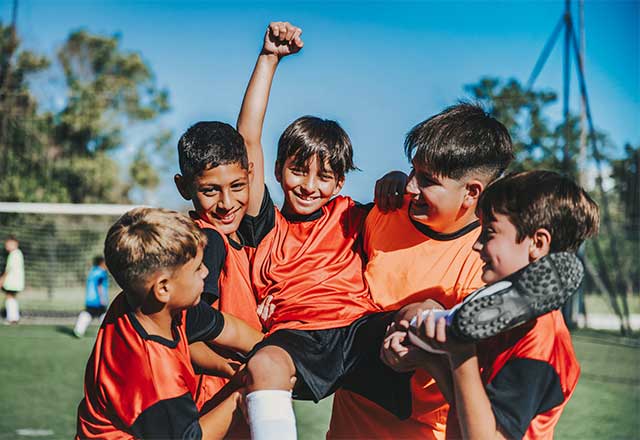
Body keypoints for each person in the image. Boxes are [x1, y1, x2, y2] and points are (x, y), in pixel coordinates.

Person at [235, 22, 413, 440]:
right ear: (277, 171)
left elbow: (425, 207)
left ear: (339, 184)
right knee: (262, 367)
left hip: (359, 330)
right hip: (295, 337)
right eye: (298, 171)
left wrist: (398, 179)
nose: (309, 186)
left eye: (323, 177)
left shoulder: (354, 215)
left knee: (419, 318)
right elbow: (247, 139)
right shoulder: (264, 221)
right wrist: (269, 59)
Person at [328, 103, 515, 439]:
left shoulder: (486, 260)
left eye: (427, 180)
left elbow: (472, 363)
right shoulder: (382, 215)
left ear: (472, 192)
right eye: (411, 170)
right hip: (347, 425)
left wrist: (424, 334)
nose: (411, 186)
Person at [403, 170, 599, 439]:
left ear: (537, 243)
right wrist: (434, 360)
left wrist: (461, 354)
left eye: (490, 232)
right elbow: (471, 409)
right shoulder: (498, 315)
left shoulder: (541, 337)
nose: (476, 245)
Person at [76, 207, 264, 439]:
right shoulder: (152, 377)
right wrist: (241, 399)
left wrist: (232, 368)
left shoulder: (149, 306)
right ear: (163, 288)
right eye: (197, 269)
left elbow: (219, 330)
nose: (206, 272)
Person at [73, 256, 109, 338]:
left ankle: (78, 330)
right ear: (101, 263)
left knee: (88, 313)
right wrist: (102, 299)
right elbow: (99, 286)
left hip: (90, 299)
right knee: (103, 315)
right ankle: (108, 332)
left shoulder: (93, 271)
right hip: (97, 300)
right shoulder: (101, 273)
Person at [0, 236, 24, 324]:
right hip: (17, 282)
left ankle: (11, 318)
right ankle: (14, 318)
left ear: (15, 244)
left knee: (9, 297)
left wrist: (2, 279)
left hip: (12, 282)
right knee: (12, 298)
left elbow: (9, 269)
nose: (7, 246)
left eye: (9, 244)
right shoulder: (18, 253)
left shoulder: (14, 254)